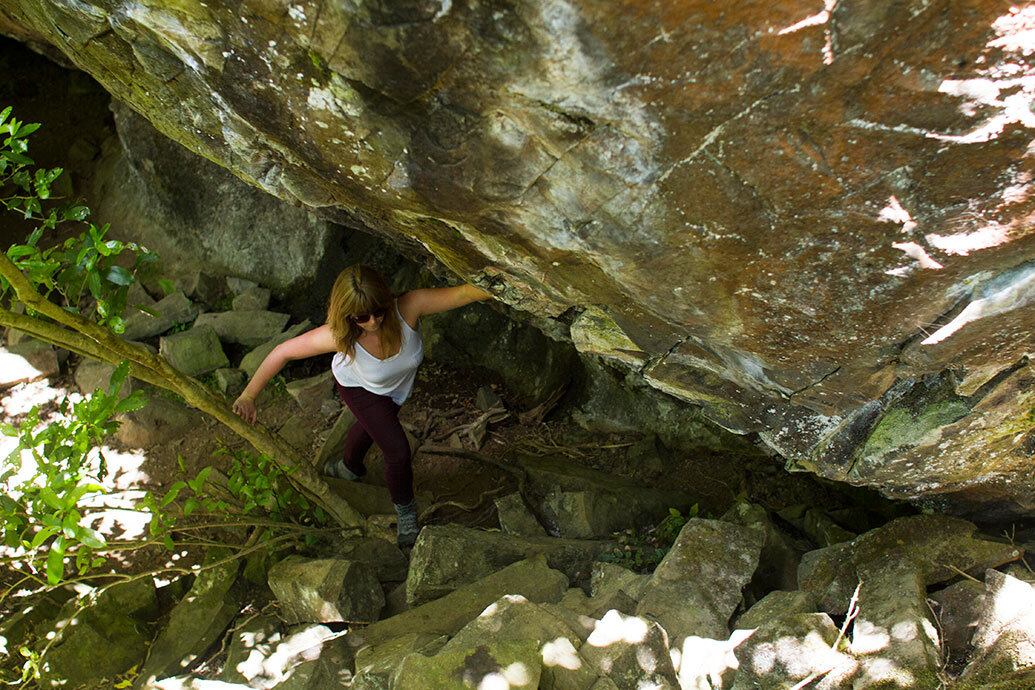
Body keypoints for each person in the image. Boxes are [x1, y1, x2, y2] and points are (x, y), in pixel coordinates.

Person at [232, 264, 491, 546]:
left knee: (370, 427)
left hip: (394, 387)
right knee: (397, 451)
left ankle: (349, 468)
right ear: (347, 315)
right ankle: (405, 514)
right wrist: (249, 395)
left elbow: (464, 293)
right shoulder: (338, 335)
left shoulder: (410, 306)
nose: (372, 322)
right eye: (361, 317)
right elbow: (282, 352)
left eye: (378, 311)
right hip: (358, 388)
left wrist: (509, 283)